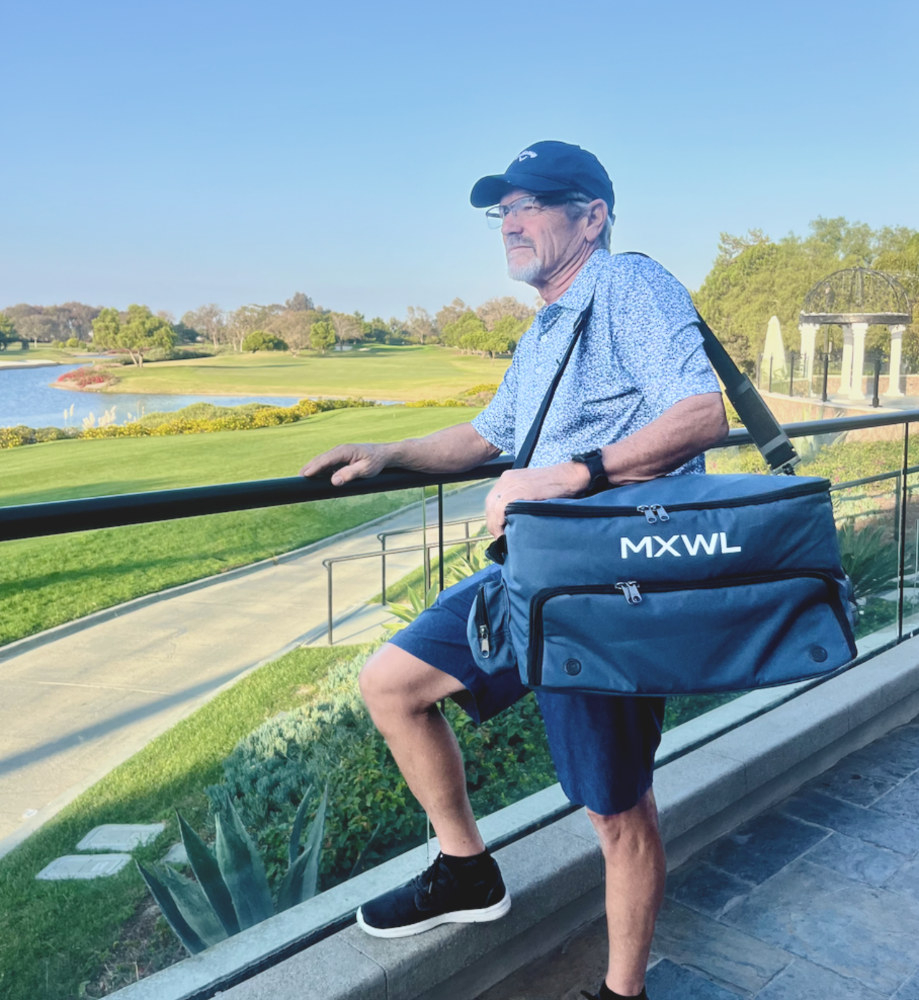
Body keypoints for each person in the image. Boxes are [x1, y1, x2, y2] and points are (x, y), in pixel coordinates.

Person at [300, 140, 728, 1000]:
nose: (510, 224)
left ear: (591, 217)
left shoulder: (630, 286)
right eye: (504, 211)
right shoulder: (545, 330)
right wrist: (388, 453)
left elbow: (701, 412)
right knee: (393, 684)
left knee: (615, 809)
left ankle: (621, 993)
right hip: (533, 570)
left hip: (612, 586)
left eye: (530, 205)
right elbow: (488, 437)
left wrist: (575, 473)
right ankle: (466, 870)